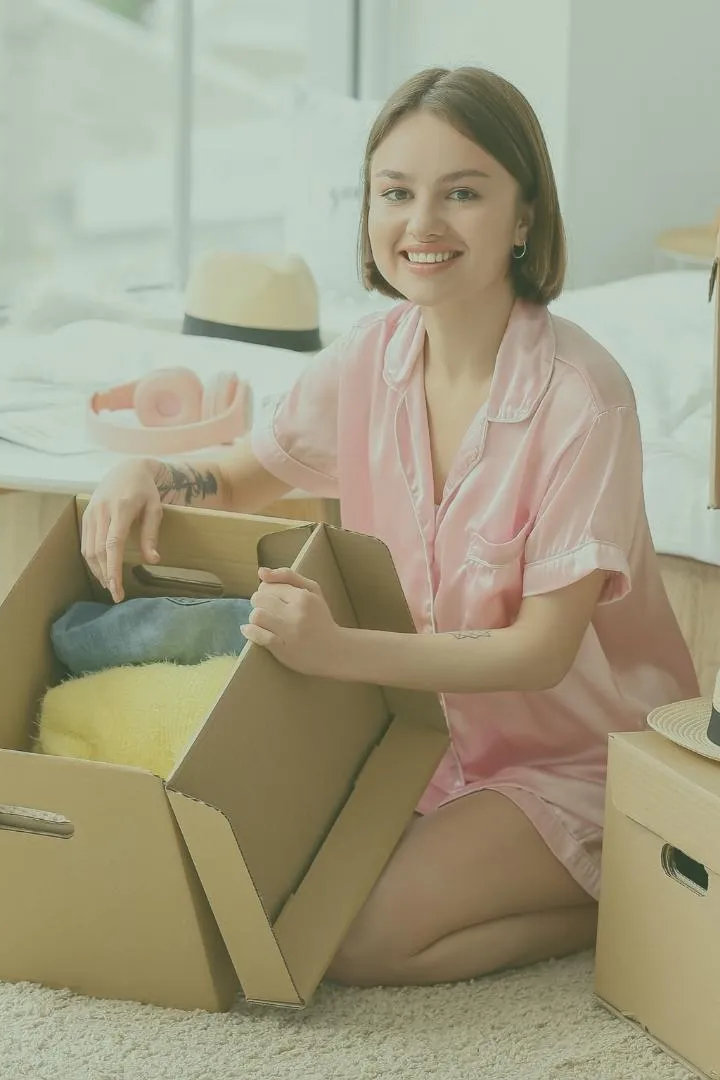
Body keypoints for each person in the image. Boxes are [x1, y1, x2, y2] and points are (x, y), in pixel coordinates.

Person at [79, 65, 700, 988]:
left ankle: (634, 886)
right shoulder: (373, 358)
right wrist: (146, 472)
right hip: (422, 735)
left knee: (355, 939)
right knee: (266, 886)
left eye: (464, 193)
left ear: (524, 216)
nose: (423, 225)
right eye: (396, 193)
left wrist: (339, 650)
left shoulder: (584, 398)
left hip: (578, 756)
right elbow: (248, 470)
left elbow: (538, 654)